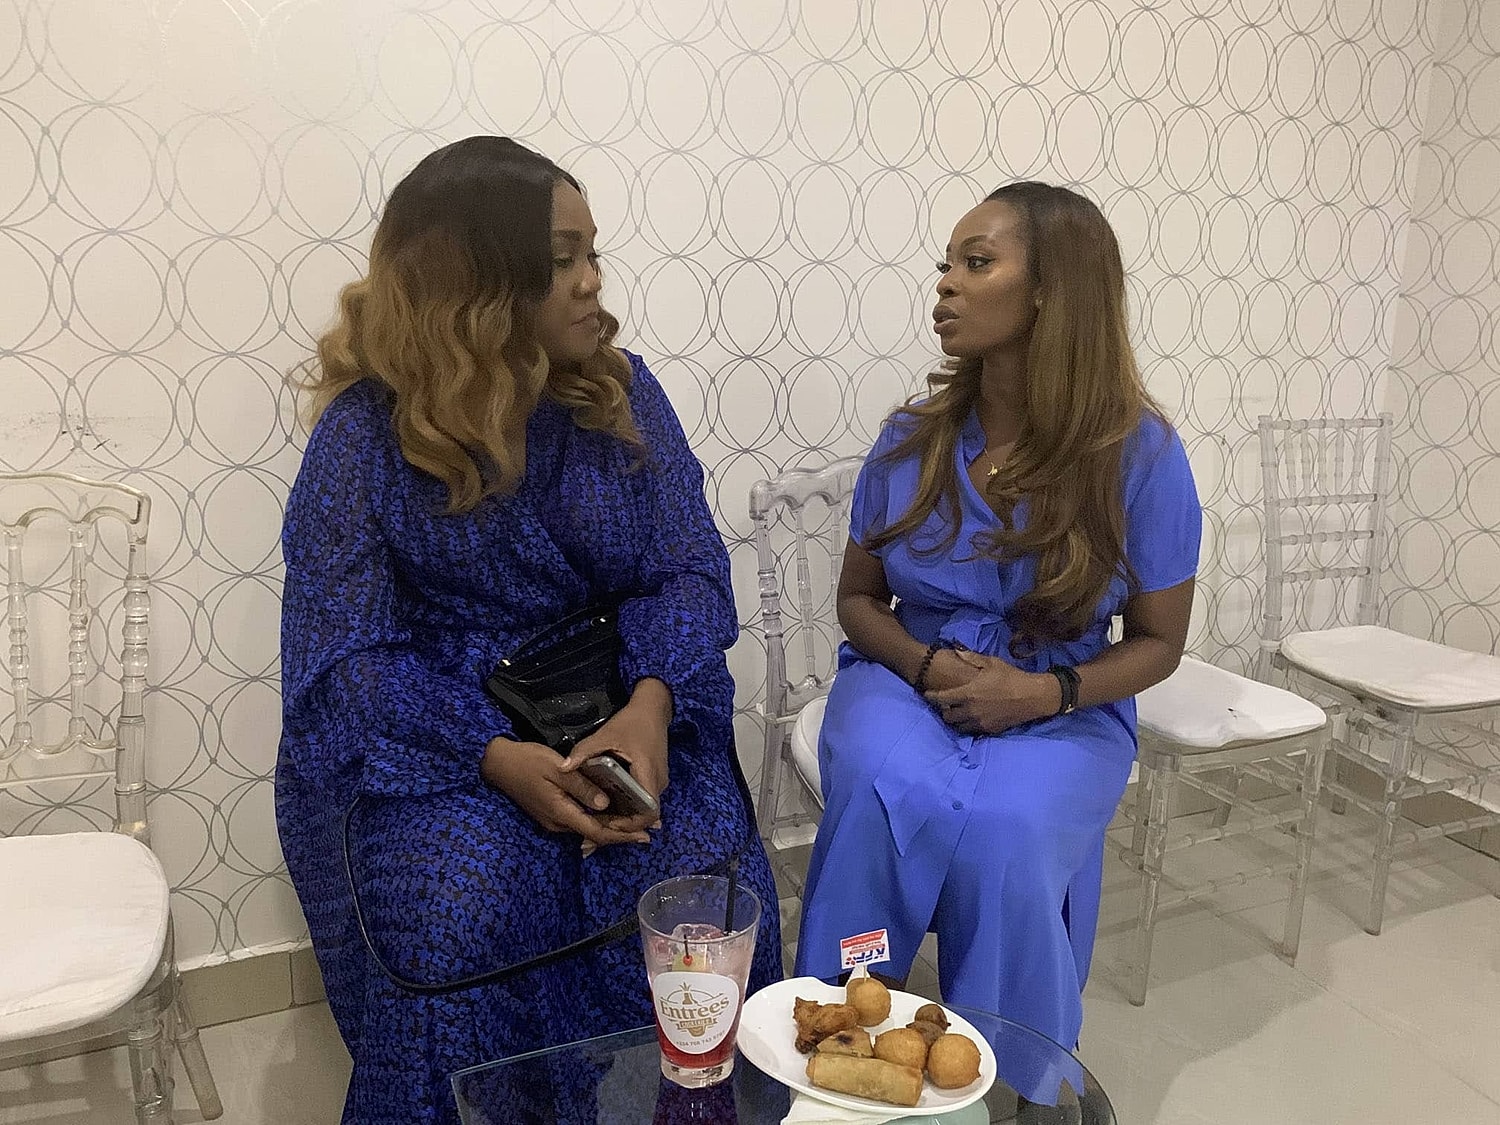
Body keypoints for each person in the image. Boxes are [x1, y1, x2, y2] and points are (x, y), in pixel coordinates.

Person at [275, 136, 781, 1125]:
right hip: (444, 736)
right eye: (561, 260)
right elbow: (346, 664)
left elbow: (688, 572)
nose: (595, 285)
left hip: (626, 698)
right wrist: (496, 756)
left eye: (594, 252)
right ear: (476, 286)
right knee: (457, 908)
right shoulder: (364, 438)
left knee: (694, 873)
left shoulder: (622, 394)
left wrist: (648, 709)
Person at [794, 182, 1201, 1054]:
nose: (945, 284)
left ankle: (1003, 1067)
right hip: (908, 675)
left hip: (1064, 697)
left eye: (975, 263)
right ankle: (846, 1025)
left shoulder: (1141, 456)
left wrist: (1046, 694)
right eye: (946, 264)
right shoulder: (911, 439)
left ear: (1053, 288)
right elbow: (857, 600)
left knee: (1006, 835)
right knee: (878, 786)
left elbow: (1162, 643)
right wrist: (921, 664)